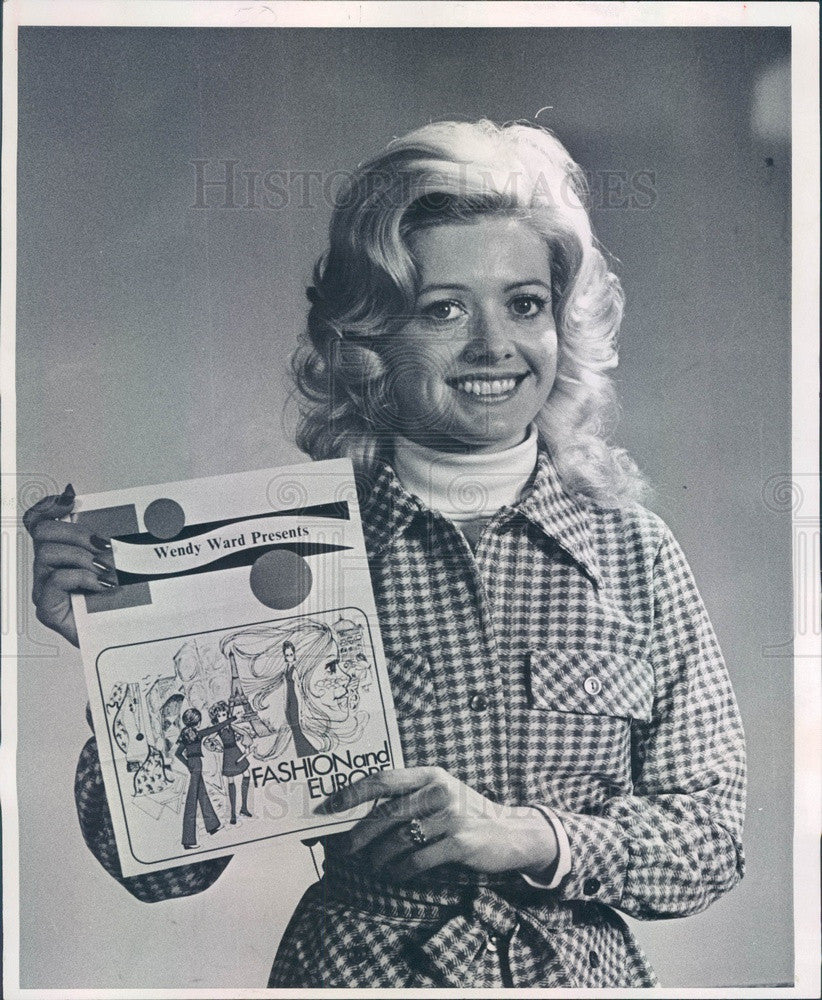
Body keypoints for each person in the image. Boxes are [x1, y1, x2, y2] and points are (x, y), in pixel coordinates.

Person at [23, 119, 746, 987]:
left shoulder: (636, 555)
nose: (493, 345)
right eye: (443, 309)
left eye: (525, 303)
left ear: (563, 322)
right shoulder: (286, 559)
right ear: (370, 338)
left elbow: (711, 840)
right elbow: (163, 871)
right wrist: (120, 665)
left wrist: (529, 835)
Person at [205, 700, 252, 824]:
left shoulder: (230, 725)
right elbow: (208, 740)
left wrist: (246, 746)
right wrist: (218, 748)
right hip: (228, 754)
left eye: (224, 715)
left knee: (246, 774)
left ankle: (244, 808)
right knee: (231, 781)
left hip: (236, 751)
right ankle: (232, 814)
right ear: (215, 717)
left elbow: (244, 732)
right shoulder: (218, 729)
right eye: (219, 716)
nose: (222, 718)